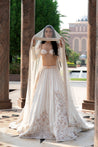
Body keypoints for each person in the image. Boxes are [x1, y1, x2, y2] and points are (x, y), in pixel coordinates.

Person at [9, 25, 94, 143]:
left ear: (52, 34)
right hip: (43, 73)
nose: (48, 33)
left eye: (50, 32)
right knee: (40, 97)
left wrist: (62, 47)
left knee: (57, 97)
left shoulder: (57, 45)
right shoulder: (40, 44)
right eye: (46, 32)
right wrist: (33, 46)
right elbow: (34, 58)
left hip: (54, 73)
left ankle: (59, 124)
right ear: (44, 34)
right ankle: (37, 122)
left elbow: (61, 60)